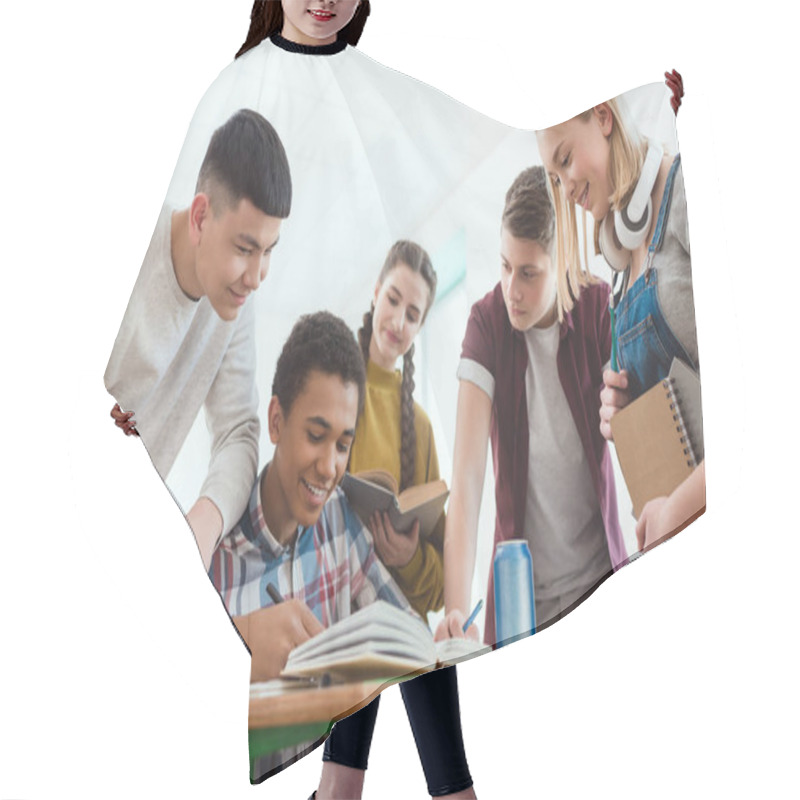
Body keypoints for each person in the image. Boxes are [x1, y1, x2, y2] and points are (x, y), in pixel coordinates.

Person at [210, 311, 413, 779]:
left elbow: (398, 628)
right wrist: (242, 650)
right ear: (277, 422)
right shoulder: (214, 562)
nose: (329, 467)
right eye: (316, 436)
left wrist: (431, 642)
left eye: (342, 444)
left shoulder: (338, 517)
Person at [437, 166, 626, 646]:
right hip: (522, 604)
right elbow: (467, 481)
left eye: (528, 273)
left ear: (562, 259)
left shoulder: (598, 306)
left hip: (601, 578)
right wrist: (456, 616)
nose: (512, 289)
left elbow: (639, 426)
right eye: (504, 266)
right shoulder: (486, 323)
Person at [315, 242, 475, 800]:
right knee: (340, 791)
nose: (400, 321)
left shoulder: (423, 429)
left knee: (456, 791)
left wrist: (408, 557)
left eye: (415, 313)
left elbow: (438, 573)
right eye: (394, 301)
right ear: (375, 293)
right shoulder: (329, 389)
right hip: (348, 623)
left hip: (407, 624)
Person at [105, 109, 292, 570]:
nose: (256, 276)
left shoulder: (233, 303)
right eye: (245, 248)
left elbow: (239, 433)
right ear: (201, 217)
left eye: (268, 251)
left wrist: (201, 525)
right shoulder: (126, 242)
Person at [536, 87, 704, 553]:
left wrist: (677, 510)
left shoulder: (688, 194)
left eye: (565, 159)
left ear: (604, 117)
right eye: (554, 177)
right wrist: (631, 418)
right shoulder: (620, 277)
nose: (565, 188)